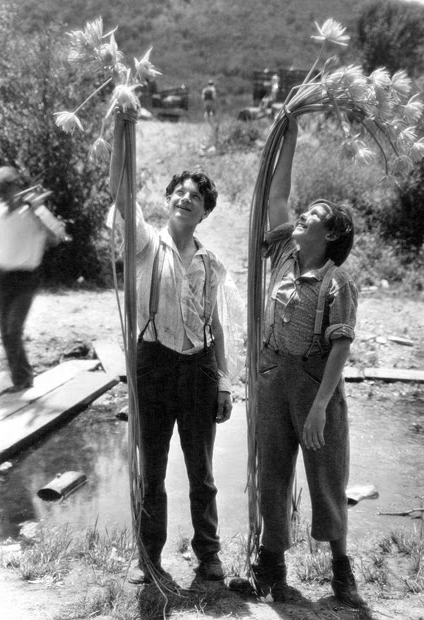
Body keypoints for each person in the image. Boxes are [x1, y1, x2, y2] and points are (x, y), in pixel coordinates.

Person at [235, 115, 369, 611]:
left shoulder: (338, 283)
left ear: (331, 234)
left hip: (317, 388)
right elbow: (276, 198)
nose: (301, 218)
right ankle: (272, 566)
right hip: (273, 379)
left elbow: (340, 347)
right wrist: (288, 134)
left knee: (326, 473)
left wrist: (319, 407)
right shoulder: (284, 259)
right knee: (272, 470)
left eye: (313, 215)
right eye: (305, 212)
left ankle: (341, 569)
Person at [109, 110, 243, 589]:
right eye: (180, 192)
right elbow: (121, 193)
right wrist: (124, 130)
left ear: (205, 211)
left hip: (200, 367)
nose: (187, 199)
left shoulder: (211, 263)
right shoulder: (147, 244)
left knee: (202, 471)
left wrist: (225, 382)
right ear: (168, 201)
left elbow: (219, 325)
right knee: (153, 470)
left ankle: (209, 556)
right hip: (154, 364)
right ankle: (148, 557)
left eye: (197, 196)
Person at [0, 166, 66, 392]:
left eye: (6, 188)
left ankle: (24, 379)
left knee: (13, 329)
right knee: (6, 332)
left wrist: (35, 211)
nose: (3, 194)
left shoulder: (36, 211)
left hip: (26, 278)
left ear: (16, 186)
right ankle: (21, 378)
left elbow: (56, 239)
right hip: (2, 277)